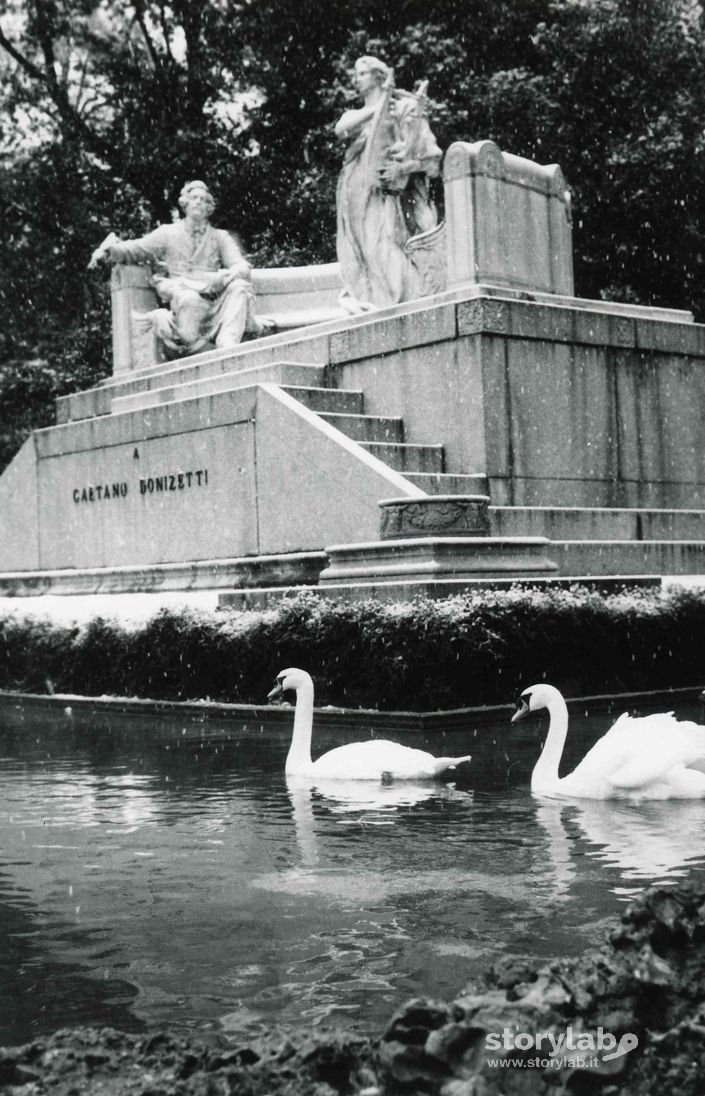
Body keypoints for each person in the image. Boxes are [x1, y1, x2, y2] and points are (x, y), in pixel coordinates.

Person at [89, 180, 269, 357]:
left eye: (203, 199)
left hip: (214, 298)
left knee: (239, 288)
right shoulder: (168, 233)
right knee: (190, 300)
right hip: (182, 292)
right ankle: (185, 338)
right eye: (194, 198)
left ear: (209, 207)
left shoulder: (220, 237)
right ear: (185, 203)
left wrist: (231, 274)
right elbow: (137, 249)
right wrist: (109, 251)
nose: (198, 202)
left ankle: (227, 341)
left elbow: (240, 264)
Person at [334, 57, 442, 311]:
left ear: (378, 77)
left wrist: (402, 168)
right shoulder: (358, 114)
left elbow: (432, 161)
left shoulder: (404, 110)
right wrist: (378, 108)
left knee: (381, 246)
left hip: (386, 192)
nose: (356, 79)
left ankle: (398, 300)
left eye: (362, 74)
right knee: (357, 250)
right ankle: (368, 298)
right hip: (354, 190)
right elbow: (341, 129)